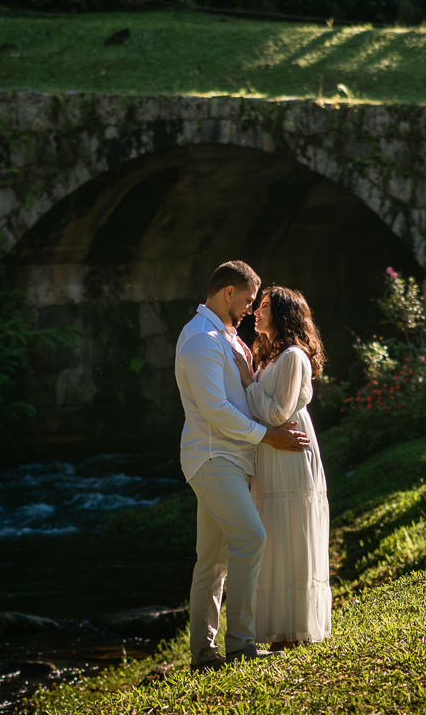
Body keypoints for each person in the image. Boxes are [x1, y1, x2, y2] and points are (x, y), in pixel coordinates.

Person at [174, 260, 310, 671]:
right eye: (249, 300)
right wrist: (269, 436)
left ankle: (203, 653)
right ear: (227, 292)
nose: (253, 309)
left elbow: (240, 393)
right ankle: (241, 644)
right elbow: (214, 409)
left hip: (232, 458)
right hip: (212, 456)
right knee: (251, 538)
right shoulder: (200, 338)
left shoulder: (226, 335)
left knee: (211, 560)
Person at [232, 286, 331, 650]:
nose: (256, 311)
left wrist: (247, 380)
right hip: (271, 454)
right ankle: (279, 630)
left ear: (284, 313)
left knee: (291, 531)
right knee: (274, 534)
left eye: (264, 306)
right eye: (256, 306)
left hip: (290, 454)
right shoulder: (270, 358)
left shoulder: (292, 357)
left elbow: (277, 413)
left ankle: (295, 630)